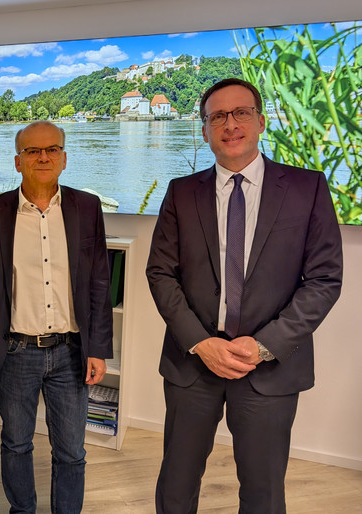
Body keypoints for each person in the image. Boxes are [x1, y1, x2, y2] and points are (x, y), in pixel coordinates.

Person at [146, 78, 343, 513]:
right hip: (192, 365)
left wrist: (263, 345)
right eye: (217, 116)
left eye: (241, 113)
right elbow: (160, 273)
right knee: (176, 485)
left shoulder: (306, 188)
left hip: (267, 369)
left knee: (263, 491)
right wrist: (200, 342)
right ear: (204, 130)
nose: (230, 124)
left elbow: (325, 279)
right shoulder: (181, 192)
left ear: (261, 122)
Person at [0, 121, 112, 513]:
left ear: (64, 158)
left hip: (71, 351)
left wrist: (98, 349)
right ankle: (22, 510)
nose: (43, 156)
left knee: (71, 450)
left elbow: (100, 282)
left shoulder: (86, 208)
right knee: (16, 443)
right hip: (15, 352)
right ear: (18, 161)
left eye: (51, 149)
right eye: (32, 151)